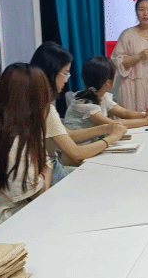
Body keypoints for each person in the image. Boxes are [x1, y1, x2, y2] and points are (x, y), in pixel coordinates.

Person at [0, 64, 53, 233]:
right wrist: (46, 170)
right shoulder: (12, 143)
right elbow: (38, 193)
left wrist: (44, 169)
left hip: (10, 218)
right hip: (8, 227)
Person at [30, 43, 127, 182]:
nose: (66, 79)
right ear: (51, 73)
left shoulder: (39, 103)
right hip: (49, 175)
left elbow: (69, 135)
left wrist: (106, 128)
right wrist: (112, 137)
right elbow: (76, 154)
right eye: (65, 73)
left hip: (52, 169)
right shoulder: (44, 109)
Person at [64, 56, 148, 132]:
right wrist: (147, 121)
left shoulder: (102, 96)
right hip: (82, 148)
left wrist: (146, 115)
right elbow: (113, 124)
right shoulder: (84, 104)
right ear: (108, 82)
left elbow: (125, 113)